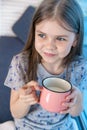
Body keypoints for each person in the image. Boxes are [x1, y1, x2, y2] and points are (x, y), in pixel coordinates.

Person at [4, 0, 87, 130]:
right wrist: (23, 100)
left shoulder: (80, 67)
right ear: (34, 32)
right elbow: (16, 113)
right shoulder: (21, 63)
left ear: (75, 40)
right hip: (27, 127)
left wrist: (76, 102)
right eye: (42, 35)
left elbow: (76, 113)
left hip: (63, 127)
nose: (49, 46)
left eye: (60, 38)